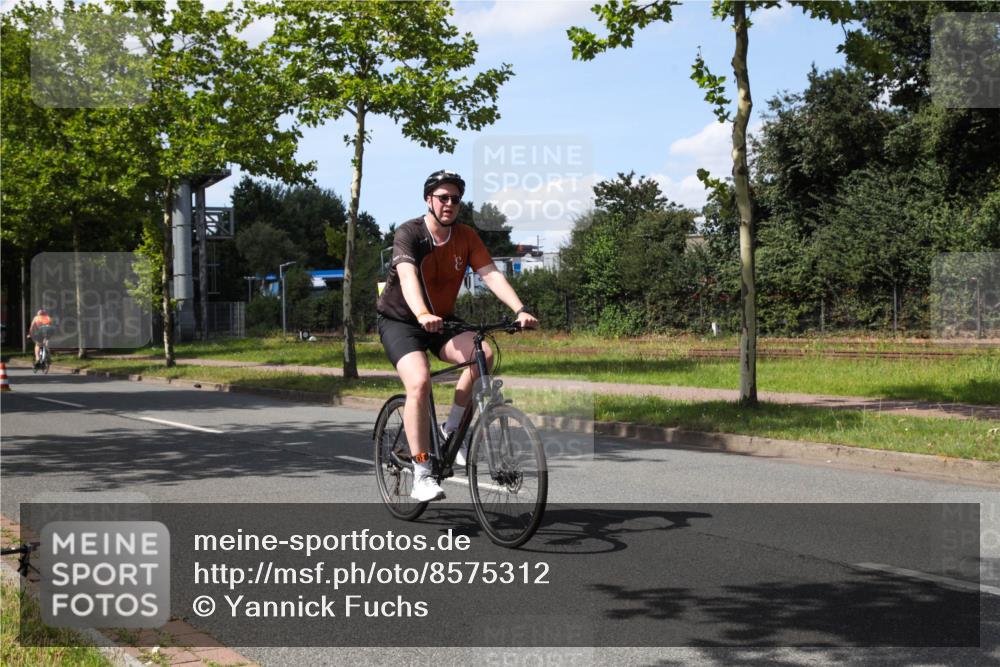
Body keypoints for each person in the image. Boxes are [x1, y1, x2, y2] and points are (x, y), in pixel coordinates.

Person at [376, 170, 538, 502]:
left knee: (484, 355)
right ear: (429, 200)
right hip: (401, 321)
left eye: (455, 199)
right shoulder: (410, 233)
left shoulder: (466, 236)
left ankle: (451, 430)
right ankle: (421, 472)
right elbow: (407, 276)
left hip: (441, 320)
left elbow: (490, 274)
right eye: (443, 198)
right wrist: (421, 314)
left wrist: (520, 308)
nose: (450, 204)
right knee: (419, 382)